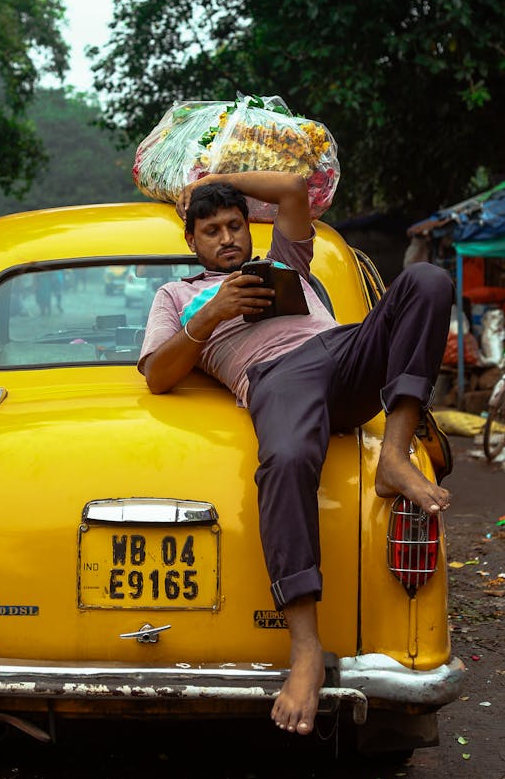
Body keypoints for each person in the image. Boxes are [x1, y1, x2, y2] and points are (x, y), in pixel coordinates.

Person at [137, 170, 453, 737]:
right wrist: (214, 312)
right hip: (275, 377)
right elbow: (158, 375)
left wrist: (216, 175)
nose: (227, 237)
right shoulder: (178, 296)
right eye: (211, 230)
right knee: (283, 460)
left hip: (339, 349)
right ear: (192, 241)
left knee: (427, 279)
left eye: (235, 225)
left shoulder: (286, 262)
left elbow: (291, 187)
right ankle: (305, 648)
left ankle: (396, 455)